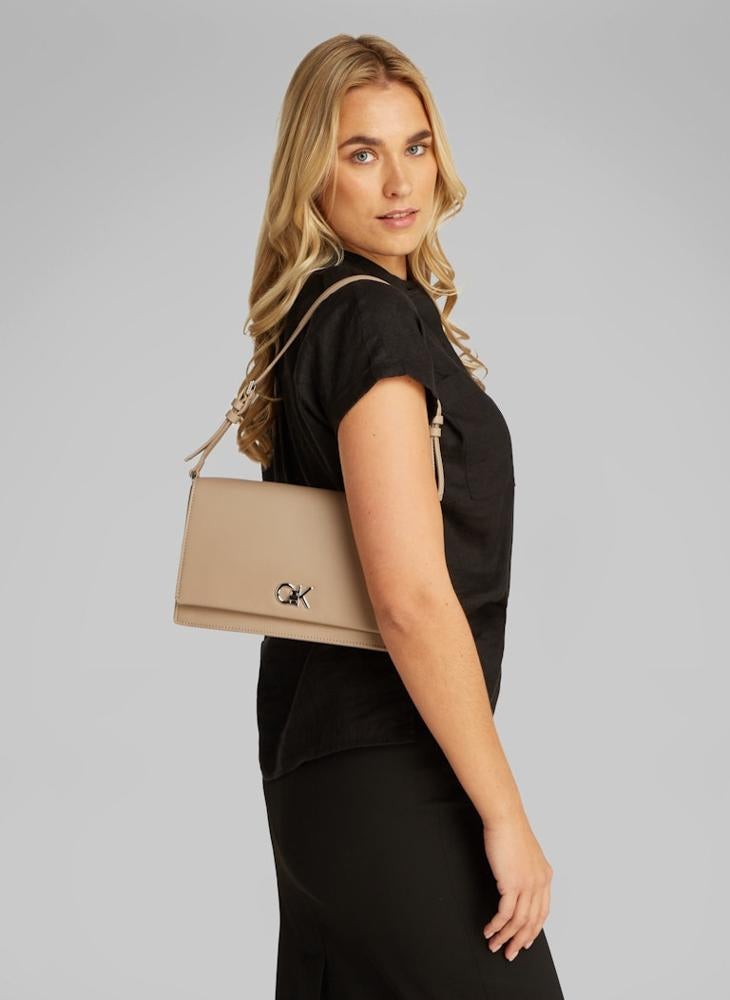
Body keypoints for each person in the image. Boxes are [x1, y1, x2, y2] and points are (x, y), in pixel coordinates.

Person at [239, 33, 566, 999]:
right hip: (389, 766)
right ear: (314, 173)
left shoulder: (331, 310)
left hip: (331, 769)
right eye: (361, 152)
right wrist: (505, 815)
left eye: (415, 146)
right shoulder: (369, 318)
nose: (399, 181)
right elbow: (412, 598)